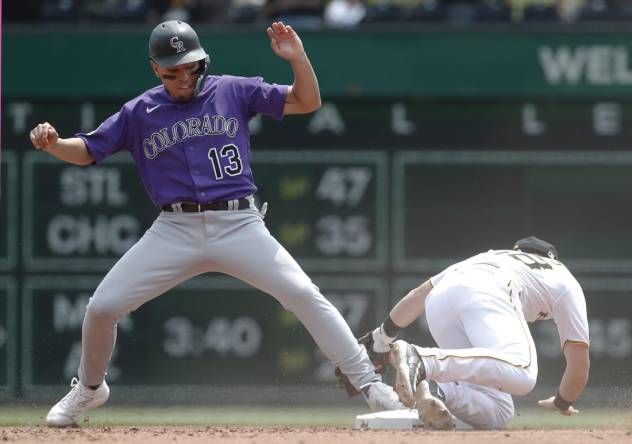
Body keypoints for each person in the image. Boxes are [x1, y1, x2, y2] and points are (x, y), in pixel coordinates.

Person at [29, 20, 404, 427]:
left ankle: (369, 384)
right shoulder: (140, 111)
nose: (183, 77)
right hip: (174, 228)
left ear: (202, 61)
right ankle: (89, 388)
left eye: (190, 66)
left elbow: (307, 101)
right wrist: (55, 144)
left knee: (302, 293)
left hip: (238, 221)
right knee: (102, 307)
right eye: (173, 70)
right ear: (155, 68)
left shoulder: (232, 90)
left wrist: (297, 57)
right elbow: (87, 151)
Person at [362, 236, 590, 429]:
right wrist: (562, 402)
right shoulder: (564, 279)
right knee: (524, 372)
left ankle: (437, 390)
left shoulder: (492, 256)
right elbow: (579, 367)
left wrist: (381, 338)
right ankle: (423, 360)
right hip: (490, 290)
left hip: (441, 300)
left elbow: (418, 296)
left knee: (499, 410)